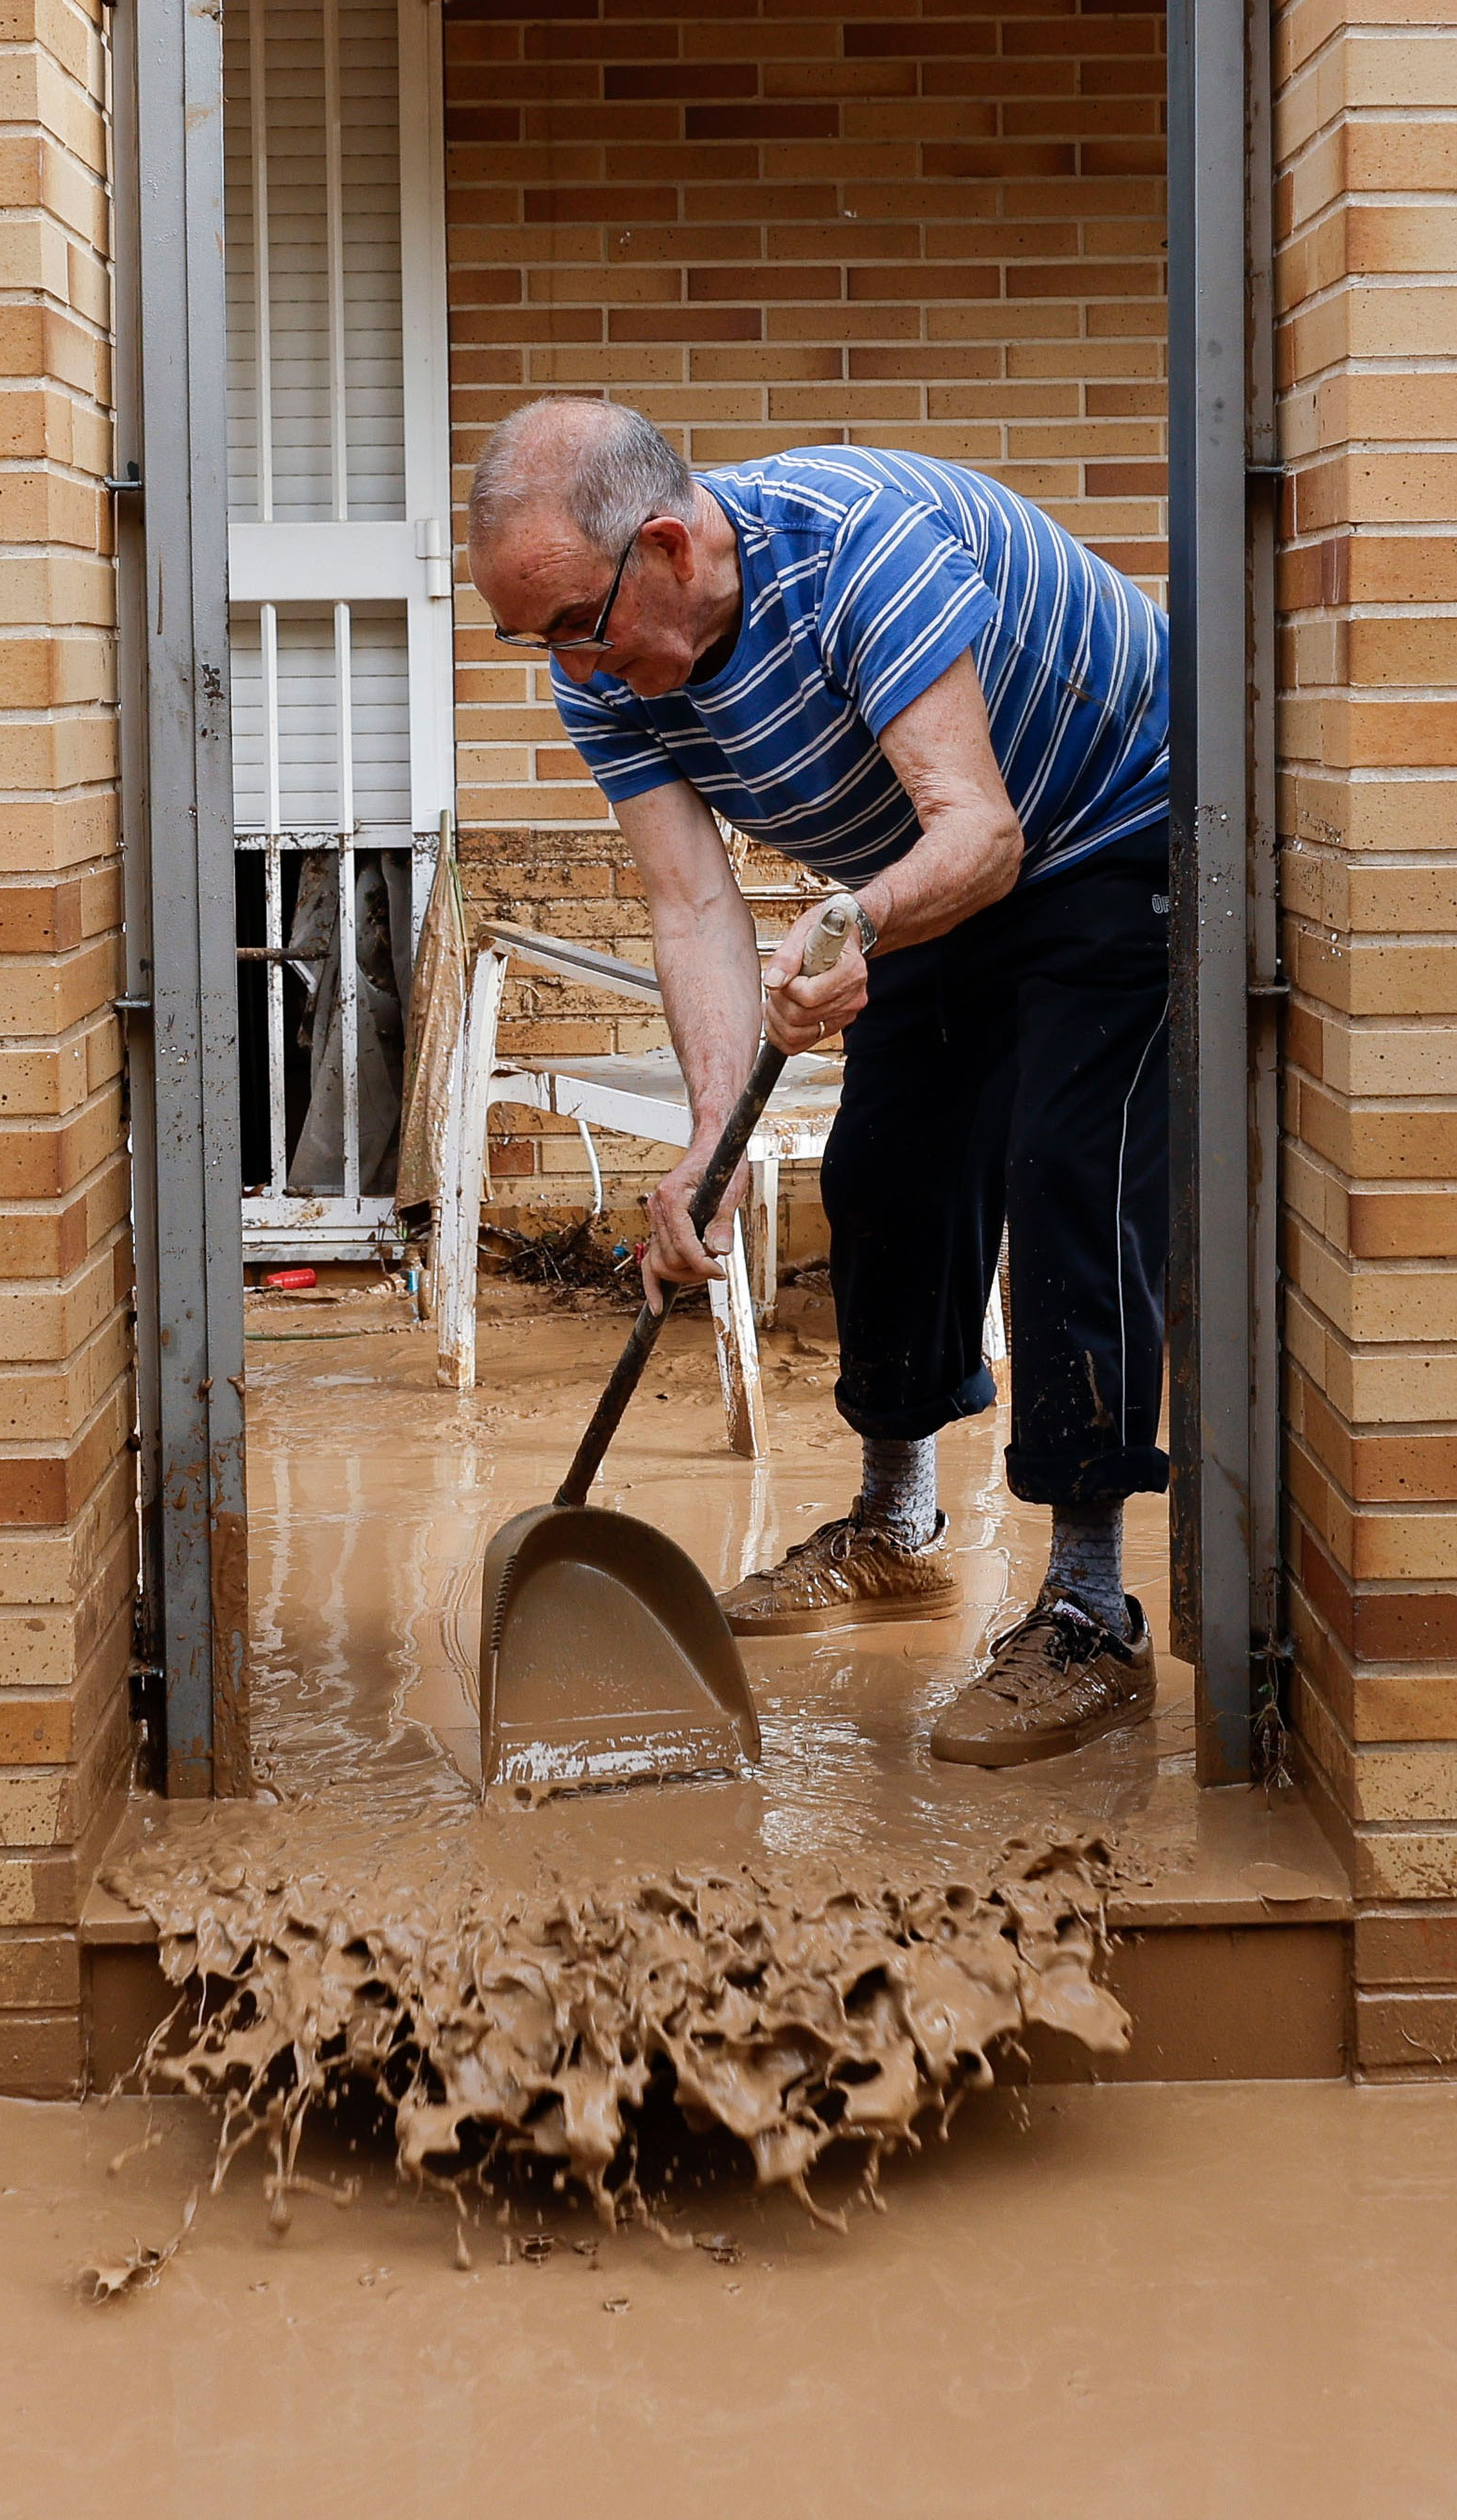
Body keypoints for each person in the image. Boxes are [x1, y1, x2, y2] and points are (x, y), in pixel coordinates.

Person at [460, 398, 1172, 1769]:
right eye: (530, 638)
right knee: (889, 1171)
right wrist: (707, 1151)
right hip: (938, 870)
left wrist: (855, 929)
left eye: (571, 627)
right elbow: (689, 907)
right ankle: (898, 1528)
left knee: (1069, 1171)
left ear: (666, 547)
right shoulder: (603, 663)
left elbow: (985, 831)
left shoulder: (860, 556)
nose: (569, 669)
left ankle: (1091, 1609)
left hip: (1111, 823)